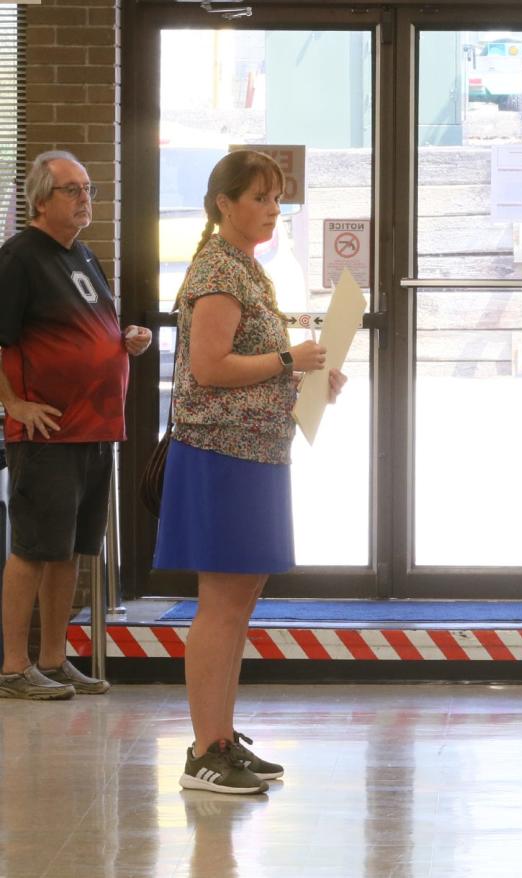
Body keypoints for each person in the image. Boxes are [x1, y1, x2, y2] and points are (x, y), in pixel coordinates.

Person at [153, 150, 346, 795]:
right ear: (223, 204)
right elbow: (209, 368)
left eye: (278, 198)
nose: (272, 210)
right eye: (260, 198)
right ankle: (205, 752)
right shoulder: (217, 269)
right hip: (221, 455)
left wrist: (309, 374)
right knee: (221, 604)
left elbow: (257, 361)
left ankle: (222, 739)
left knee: (239, 604)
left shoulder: (248, 269)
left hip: (257, 452)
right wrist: (290, 360)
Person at [0, 151, 152, 700]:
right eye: (72, 189)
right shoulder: (19, 258)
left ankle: (54, 658)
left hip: (94, 429)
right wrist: (13, 405)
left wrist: (127, 338)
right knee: (34, 549)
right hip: (48, 433)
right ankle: (14, 668)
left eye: (88, 188)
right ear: (41, 199)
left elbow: (91, 330)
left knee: (68, 551)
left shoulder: (84, 255)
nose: (85, 197)